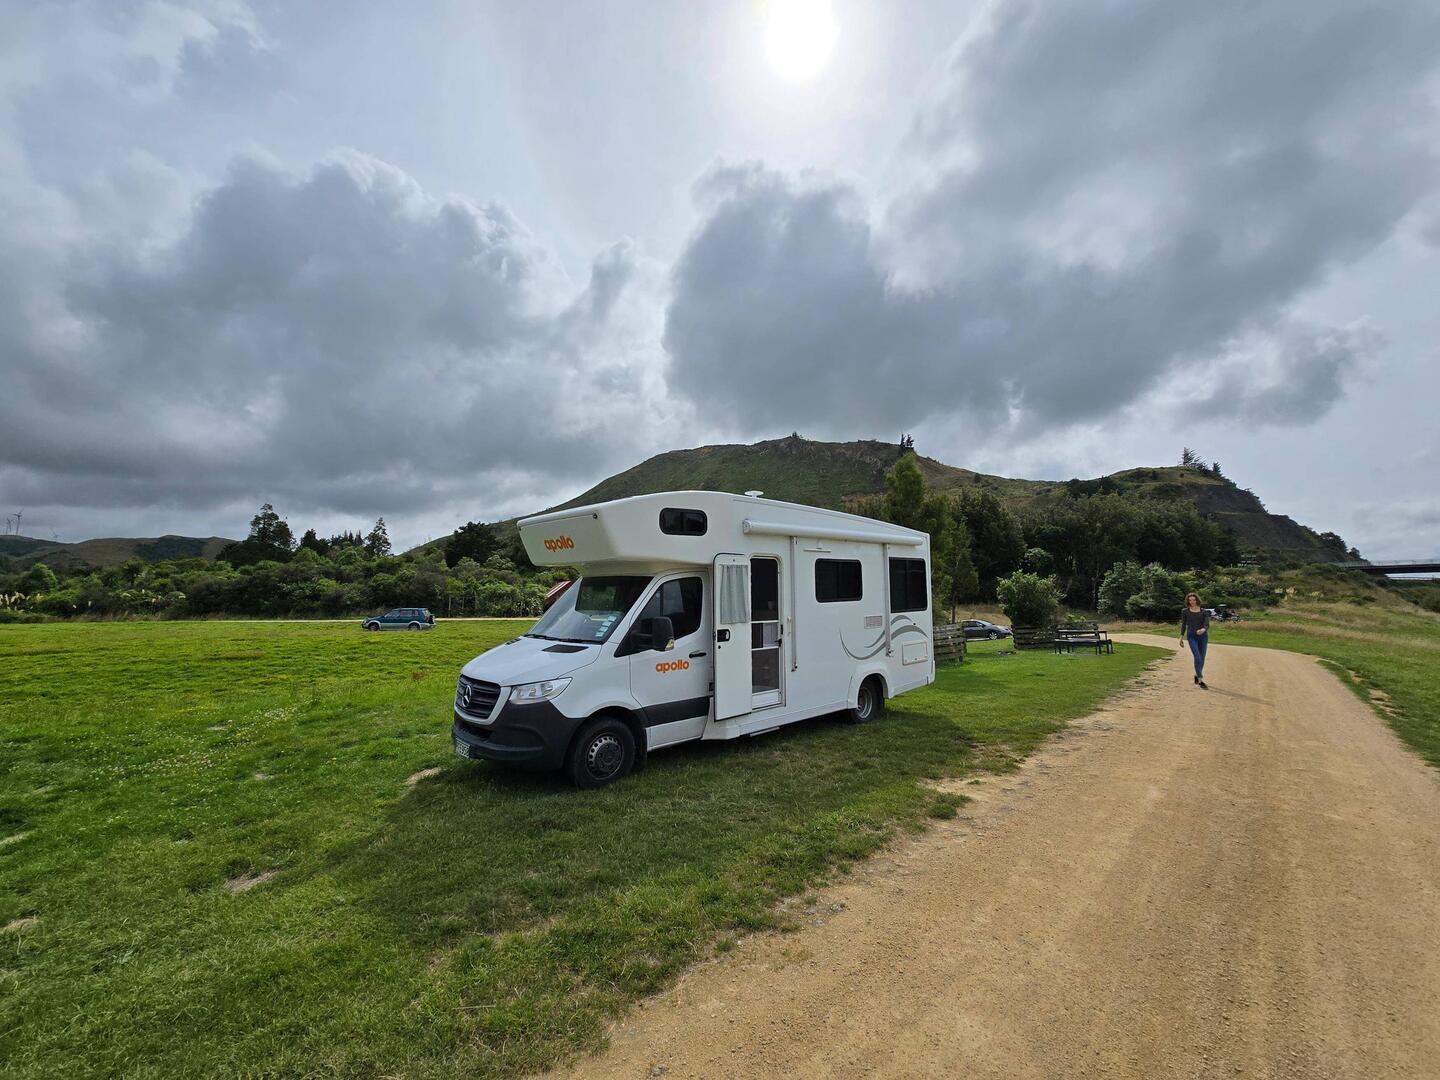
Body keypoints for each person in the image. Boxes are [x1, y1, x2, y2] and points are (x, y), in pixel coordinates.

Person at [1179, 592, 1210, 688]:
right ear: (1188, 601)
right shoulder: (1185, 611)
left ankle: (1197, 675)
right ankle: (1200, 680)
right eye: (1190, 600)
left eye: (1193, 600)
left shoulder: (1204, 612)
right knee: (1197, 657)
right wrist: (1181, 637)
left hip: (1203, 636)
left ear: (1197, 600)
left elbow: (1206, 624)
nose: (1192, 602)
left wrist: (1203, 630)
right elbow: (1184, 625)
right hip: (1191, 636)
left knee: (1202, 658)